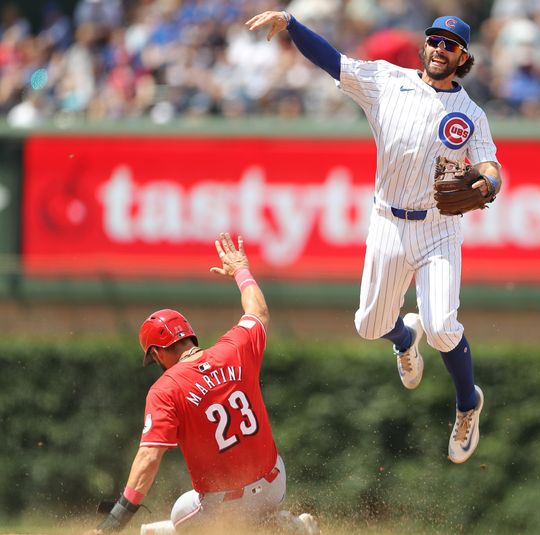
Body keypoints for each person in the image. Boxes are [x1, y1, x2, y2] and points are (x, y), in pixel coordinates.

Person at [246, 11, 502, 463]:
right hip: (388, 221)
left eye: (450, 44)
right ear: (424, 47)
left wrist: (489, 183)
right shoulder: (386, 80)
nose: (440, 48)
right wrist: (291, 22)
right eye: (434, 40)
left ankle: (467, 404)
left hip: (439, 227)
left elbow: (488, 165)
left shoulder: (471, 115)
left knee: (443, 327)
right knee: (368, 326)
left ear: (463, 56)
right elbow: (332, 61)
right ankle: (405, 341)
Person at [86, 233, 318, 534]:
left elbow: (148, 457)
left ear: (157, 353)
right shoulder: (234, 347)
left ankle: (279, 527)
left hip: (226, 503)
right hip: (275, 482)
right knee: (212, 514)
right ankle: (279, 524)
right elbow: (258, 311)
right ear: (190, 337)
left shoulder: (166, 389)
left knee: (181, 513)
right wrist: (241, 271)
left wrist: (112, 524)